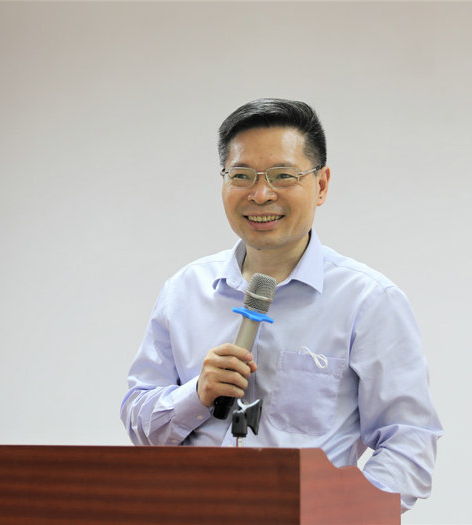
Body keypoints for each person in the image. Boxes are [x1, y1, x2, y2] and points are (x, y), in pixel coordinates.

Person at [120, 98, 442, 512]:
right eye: (241, 176)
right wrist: (196, 395)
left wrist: (338, 515)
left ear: (321, 185)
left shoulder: (368, 301)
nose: (260, 194)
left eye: (282, 175)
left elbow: (409, 442)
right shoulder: (184, 291)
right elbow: (140, 421)